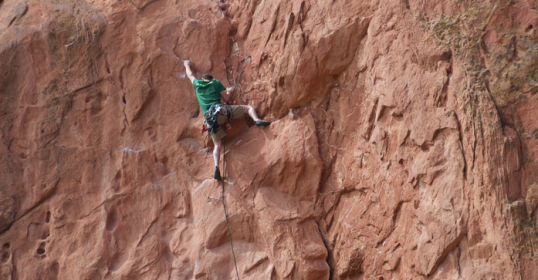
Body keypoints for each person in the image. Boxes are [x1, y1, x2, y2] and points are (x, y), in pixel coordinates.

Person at [184, 60, 271, 180]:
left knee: (217, 145)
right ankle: (256, 120)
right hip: (221, 112)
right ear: (210, 78)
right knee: (248, 108)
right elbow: (226, 98)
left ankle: (216, 167)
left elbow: (190, 74)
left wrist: (186, 64)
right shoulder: (215, 82)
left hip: (210, 120)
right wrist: (229, 91)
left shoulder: (197, 85)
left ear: (203, 79)